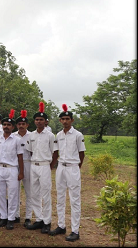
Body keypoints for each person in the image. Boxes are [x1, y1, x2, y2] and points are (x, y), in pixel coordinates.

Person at [49, 104, 86, 242]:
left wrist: (77, 167)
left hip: (73, 167)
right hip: (61, 168)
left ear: (72, 120)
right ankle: (61, 225)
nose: (65, 121)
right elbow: (56, 152)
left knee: (74, 199)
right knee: (60, 197)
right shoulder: (58, 135)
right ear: (60, 121)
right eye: (62, 119)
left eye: (67, 118)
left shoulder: (77, 135)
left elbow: (82, 153)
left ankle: (75, 230)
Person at [26, 102, 55, 234]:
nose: (39, 122)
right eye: (37, 120)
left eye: (41, 120)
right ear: (34, 121)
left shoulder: (50, 135)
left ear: (46, 122)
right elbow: (31, 151)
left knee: (46, 194)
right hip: (34, 166)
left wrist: (49, 166)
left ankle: (47, 222)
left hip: (44, 166)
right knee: (34, 193)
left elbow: (54, 153)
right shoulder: (31, 135)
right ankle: (39, 219)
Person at [0, 109, 24, 230]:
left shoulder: (17, 140)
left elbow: (20, 157)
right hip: (0, 168)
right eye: (4, 124)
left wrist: (21, 172)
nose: (6, 126)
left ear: (12, 127)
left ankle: (11, 219)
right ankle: (3, 217)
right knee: (0, 193)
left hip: (12, 169)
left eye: (9, 125)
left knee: (12, 194)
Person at [13, 110, 33, 227]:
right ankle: (16, 215)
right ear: (17, 125)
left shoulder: (31, 136)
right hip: (15, 164)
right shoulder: (13, 136)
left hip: (28, 163)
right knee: (14, 191)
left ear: (27, 125)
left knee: (28, 191)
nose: (21, 126)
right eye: (19, 124)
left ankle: (28, 217)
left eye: (23, 124)